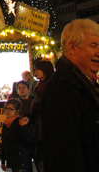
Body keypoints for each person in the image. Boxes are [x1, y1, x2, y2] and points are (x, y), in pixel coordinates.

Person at [41, 19, 99, 172]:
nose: (98, 52)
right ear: (72, 48)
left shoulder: (84, 85)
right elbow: (66, 157)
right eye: (93, 46)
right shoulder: (61, 91)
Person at [29, 60, 54, 172]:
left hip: (46, 127)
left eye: (37, 69)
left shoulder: (50, 86)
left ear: (45, 70)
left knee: (43, 156)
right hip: (38, 126)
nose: (35, 72)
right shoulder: (39, 86)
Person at [1, 98, 33, 172]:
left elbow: (29, 140)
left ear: (17, 111)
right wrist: (3, 161)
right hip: (12, 162)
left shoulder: (20, 123)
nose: (8, 111)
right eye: (6, 108)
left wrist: (25, 127)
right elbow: (4, 143)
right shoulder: (6, 124)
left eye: (11, 109)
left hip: (21, 162)